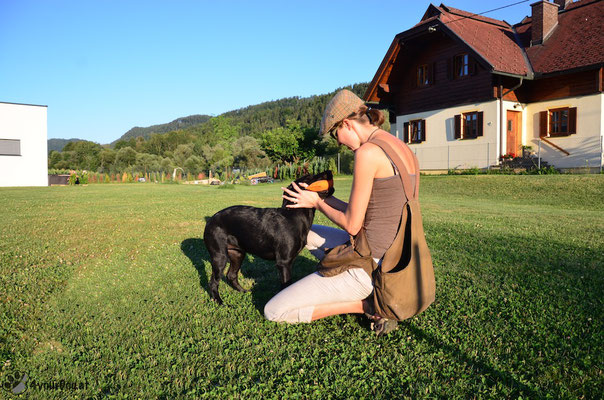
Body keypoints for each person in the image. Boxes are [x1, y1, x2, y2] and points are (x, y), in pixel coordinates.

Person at [263, 89, 420, 334]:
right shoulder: (401, 148)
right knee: (302, 233)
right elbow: (371, 214)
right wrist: (322, 198)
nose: (338, 143)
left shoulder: (367, 153)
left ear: (346, 124)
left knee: (274, 310)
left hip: (371, 267)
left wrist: (316, 203)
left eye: (336, 134)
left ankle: (366, 303)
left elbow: (352, 224)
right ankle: (358, 288)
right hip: (391, 258)